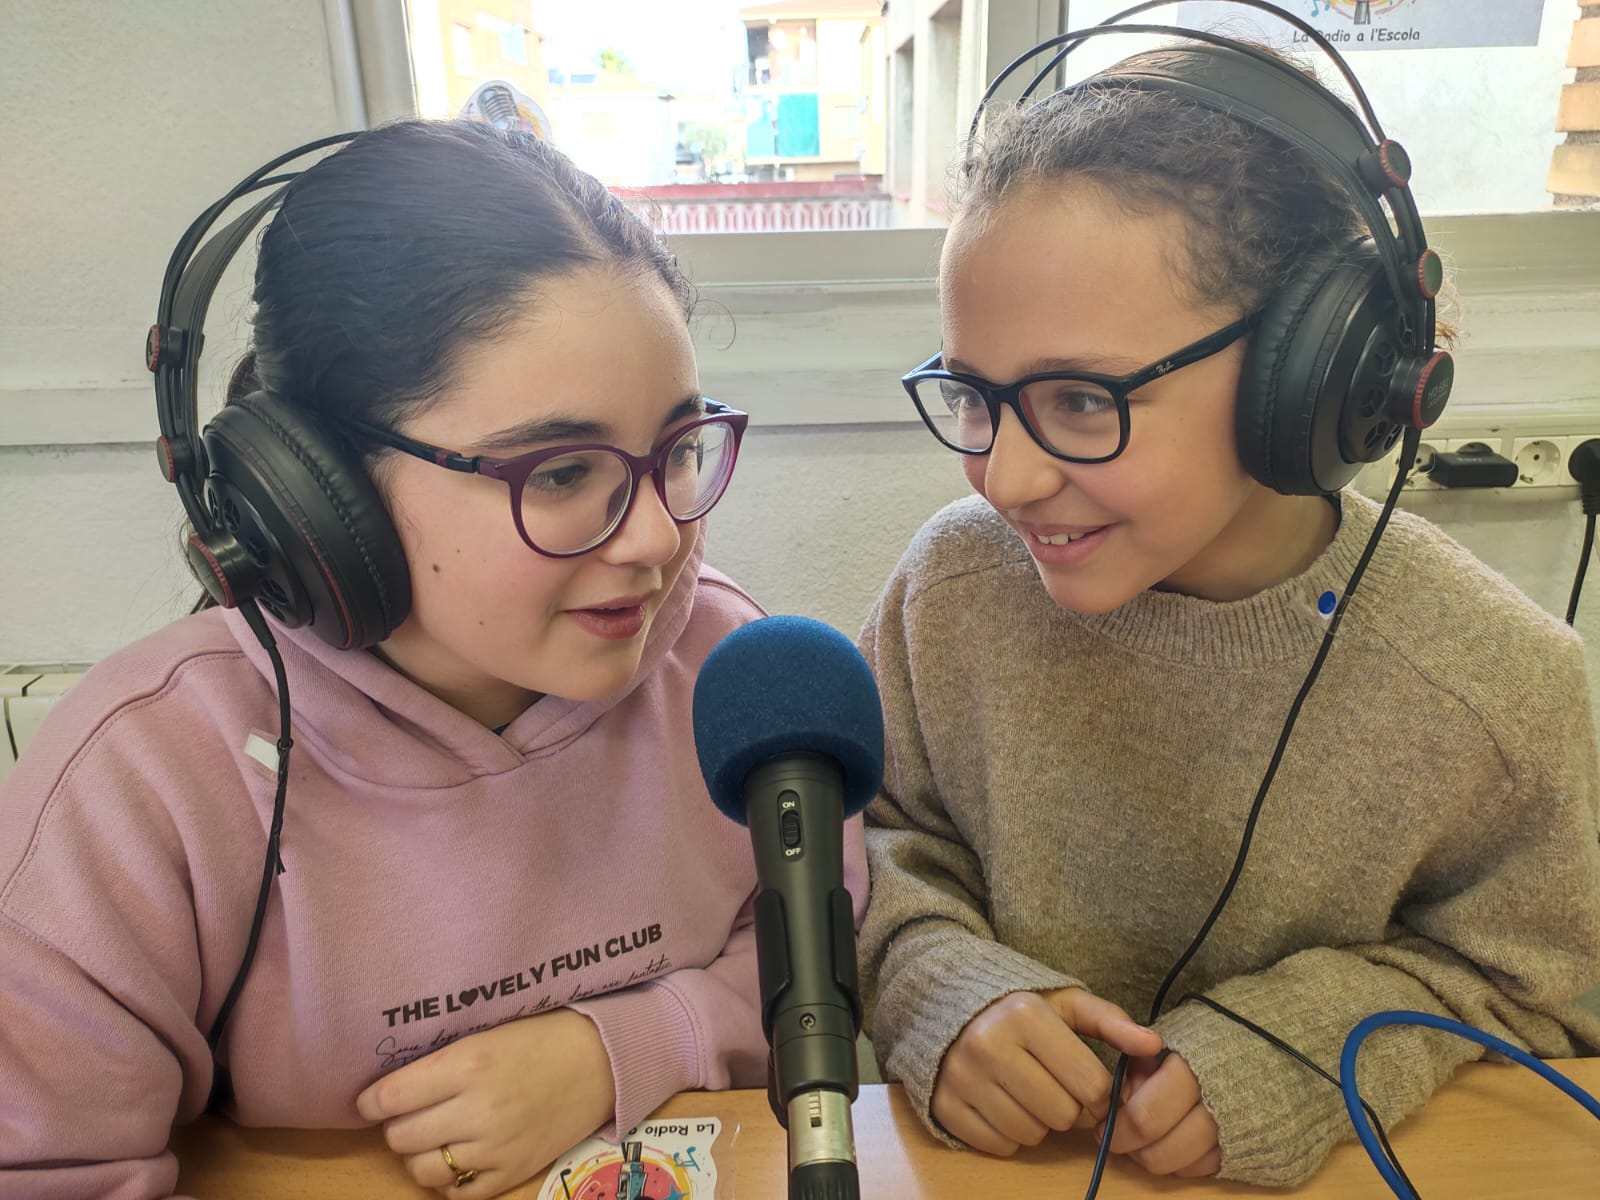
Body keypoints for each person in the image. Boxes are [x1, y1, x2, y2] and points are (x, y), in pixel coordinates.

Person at [0, 119, 868, 1200]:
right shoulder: (142, 782)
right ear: (319, 493)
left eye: (680, 449)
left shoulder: (735, 673)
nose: (656, 538)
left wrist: (630, 1044)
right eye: (561, 472)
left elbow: (822, 942)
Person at [857, 41, 1600, 1189]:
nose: (1004, 478)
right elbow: (867, 845)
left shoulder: (1497, 687)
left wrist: (1319, 1045)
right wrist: (937, 984)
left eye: (1080, 399)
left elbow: (1536, 987)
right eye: (971, 394)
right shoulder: (949, 594)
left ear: (1307, 380)